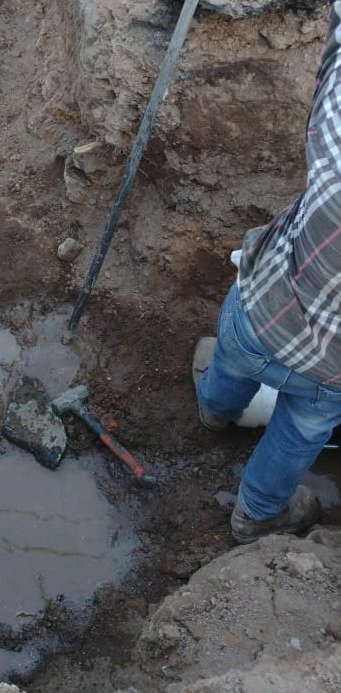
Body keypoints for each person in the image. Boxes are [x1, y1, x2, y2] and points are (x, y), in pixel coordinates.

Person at [193, 1, 341, 543]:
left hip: (263, 306)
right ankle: (254, 515)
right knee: (301, 432)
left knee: (228, 362)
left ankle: (214, 412)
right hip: (333, 371)